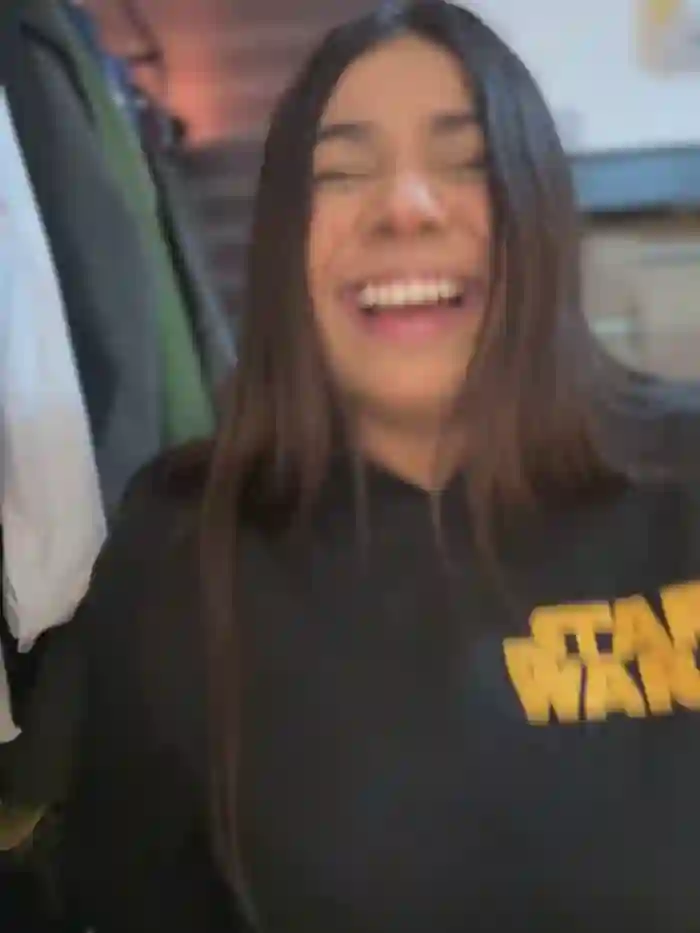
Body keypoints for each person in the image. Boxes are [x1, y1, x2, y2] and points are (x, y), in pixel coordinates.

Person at [57, 1, 700, 931]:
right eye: (342, 173)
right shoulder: (180, 551)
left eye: (467, 162)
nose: (405, 207)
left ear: (539, 208)